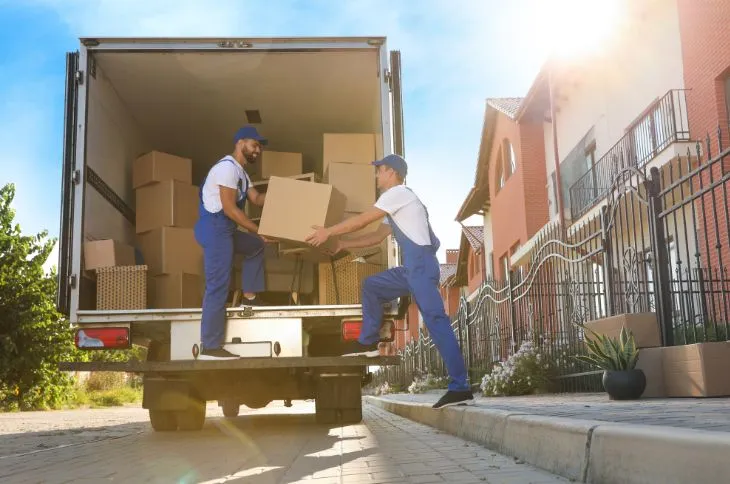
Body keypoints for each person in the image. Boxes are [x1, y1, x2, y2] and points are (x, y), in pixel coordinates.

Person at [305, 154, 474, 409]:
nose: (376, 176)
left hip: (421, 267)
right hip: (411, 270)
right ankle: (368, 342)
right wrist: (343, 244)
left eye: (379, 171)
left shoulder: (399, 193)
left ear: (392, 173)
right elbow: (375, 236)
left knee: (437, 322)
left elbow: (363, 220)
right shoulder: (396, 204)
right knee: (372, 286)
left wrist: (328, 231)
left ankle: (460, 386)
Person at [194, 125, 271, 360]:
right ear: (240, 143)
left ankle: (250, 296)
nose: (257, 150)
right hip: (215, 228)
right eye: (254, 144)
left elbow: (257, 199)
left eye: (259, 146)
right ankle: (210, 345)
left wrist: (286, 194)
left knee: (255, 246)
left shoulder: (241, 173)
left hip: (225, 230)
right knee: (218, 284)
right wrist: (258, 229)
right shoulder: (227, 168)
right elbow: (229, 208)